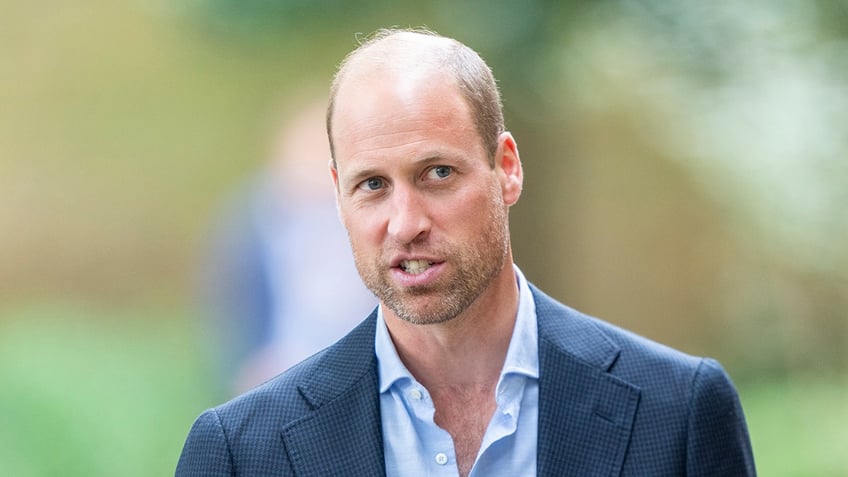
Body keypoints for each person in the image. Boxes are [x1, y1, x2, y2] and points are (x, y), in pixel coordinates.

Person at [176, 28, 756, 476]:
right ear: (338, 196)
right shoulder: (242, 450)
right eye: (372, 185)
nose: (405, 224)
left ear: (506, 168)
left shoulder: (676, 412)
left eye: (437, 173)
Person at [198, 98, 376, 394]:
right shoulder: (254, 223)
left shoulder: (372, 220)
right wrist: (246, 362)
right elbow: (230, 306)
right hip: (281, 361)